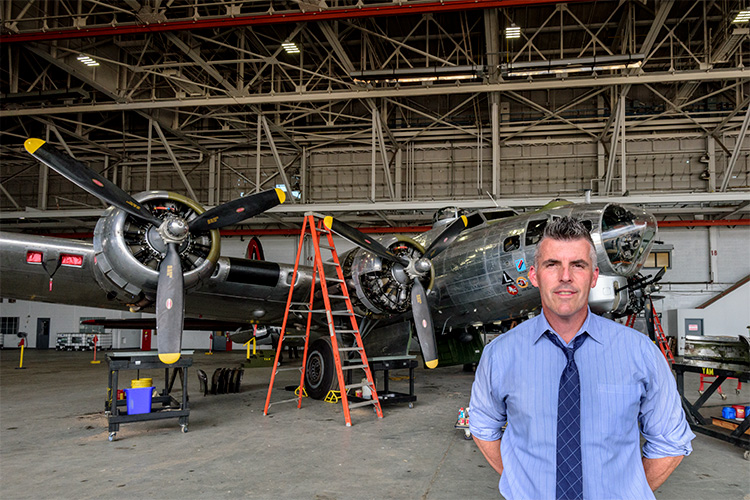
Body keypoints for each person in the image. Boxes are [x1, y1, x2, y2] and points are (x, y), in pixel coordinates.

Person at [469, 216, 693, 500]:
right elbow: (483, 426)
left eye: (578, 265)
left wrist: (627, 493)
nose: (565, 276)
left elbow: (670, 442)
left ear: (594, 276)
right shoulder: (500, 354)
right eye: (552, 264)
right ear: (534, 275)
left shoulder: (640, 353)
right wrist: (522, 482)